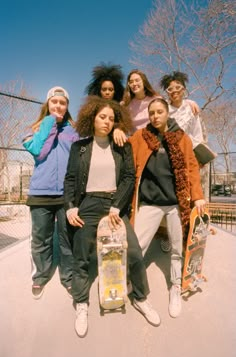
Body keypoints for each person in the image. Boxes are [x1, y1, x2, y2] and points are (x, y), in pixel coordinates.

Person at [64, 96, 161, 338]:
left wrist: (117, 206)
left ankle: (140, 298)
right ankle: (81, 304)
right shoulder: (80, 147)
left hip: (114, 205)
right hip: (87, 204)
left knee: (135, 253)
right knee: (81, 256)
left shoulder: (122, 145)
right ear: (92, 118)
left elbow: (129, 177)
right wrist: (70, 206)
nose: (107, 122)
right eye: (102, 117)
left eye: (111, 118)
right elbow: (71, 179)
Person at [128, 97, 206, 318]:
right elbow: (124, 148)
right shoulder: (141, 136)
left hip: (175, 204)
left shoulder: (182, 138)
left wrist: (197, 196)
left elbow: (191, 167)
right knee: (137, 247)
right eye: (151, 113)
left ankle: (175, 287)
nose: (155, 116)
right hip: (150, 203)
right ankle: (132, 282)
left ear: (167, 113)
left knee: (176, 249)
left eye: (159, 112)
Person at [22, 86, 79, 300]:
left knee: (67, 239)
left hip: (67, 195)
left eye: (62, 103)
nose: (58, 105)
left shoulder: (74, 132)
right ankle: (41, 276)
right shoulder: (34, 129)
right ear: (47, 104)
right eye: (54, 102)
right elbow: (39, 151)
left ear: (67, 106)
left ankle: (69, 276)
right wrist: (50, 123)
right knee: (41, 239)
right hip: (40, 194)